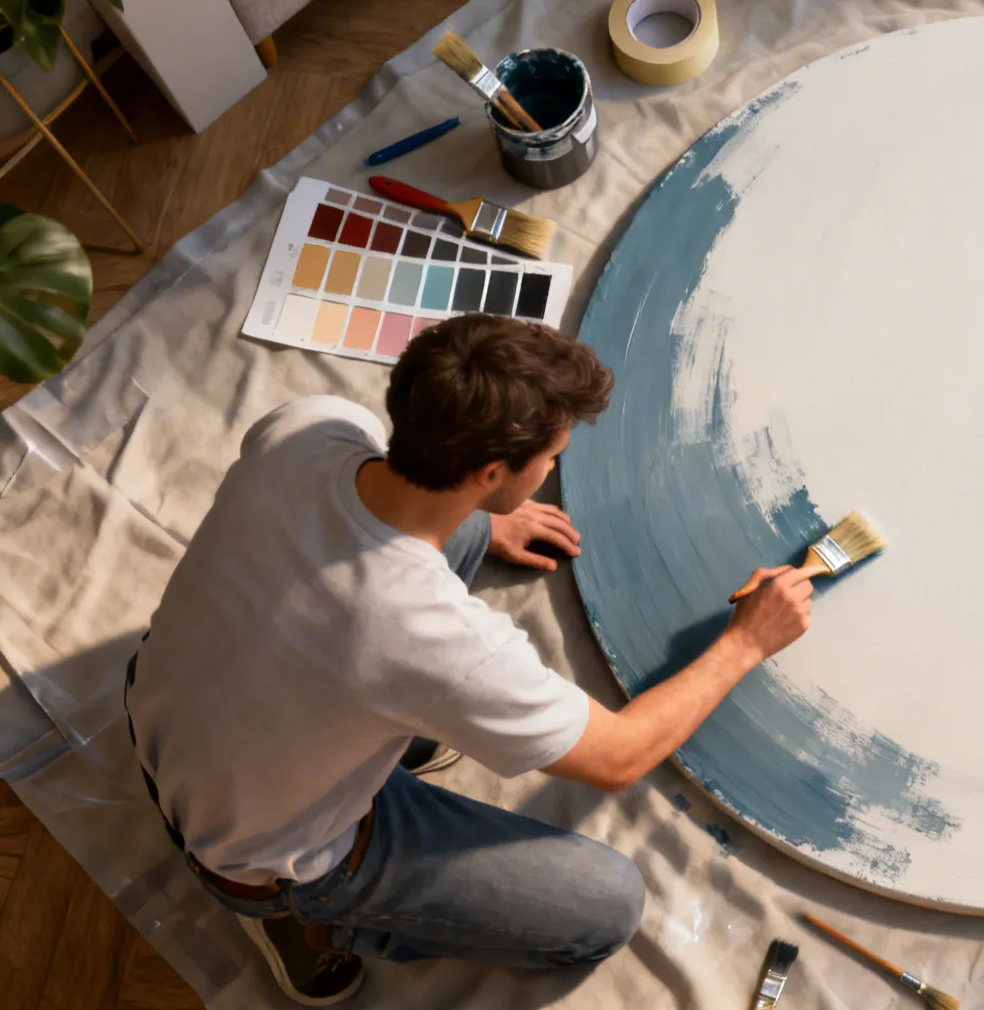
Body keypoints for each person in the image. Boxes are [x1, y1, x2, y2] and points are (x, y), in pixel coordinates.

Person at [124, 314, 815, 1006]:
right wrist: (746, 642)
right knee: (607, 907)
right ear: (490, 471)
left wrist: (485, 517)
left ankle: (370, 742)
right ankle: (303, 920)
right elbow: (620, 757)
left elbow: (360, 539)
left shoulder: (309, 425)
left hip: (159, 707)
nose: (554, 471)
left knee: (433, 563)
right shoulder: (430, 635)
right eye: (551, 459)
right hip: (256, 850)